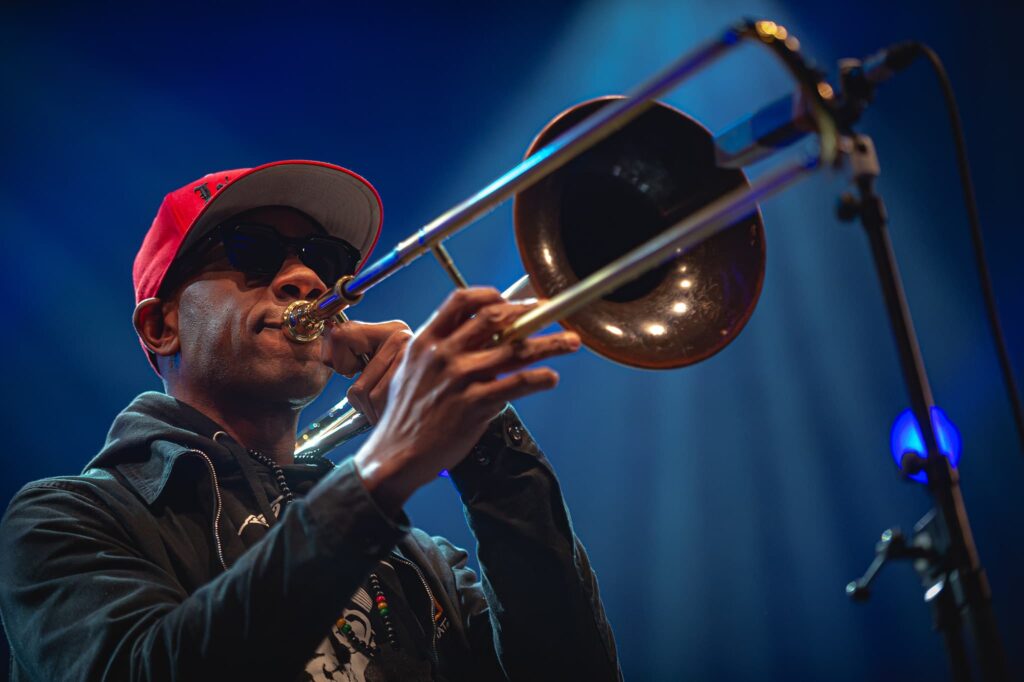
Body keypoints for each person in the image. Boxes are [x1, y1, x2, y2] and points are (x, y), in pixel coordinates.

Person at [0, 160, 621, 681]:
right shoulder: (65, 520)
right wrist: (383, 472)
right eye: (252, 250)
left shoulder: (420, 557)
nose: (306, 278)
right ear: (161, 327)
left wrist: (485, 448)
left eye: (324, 258)